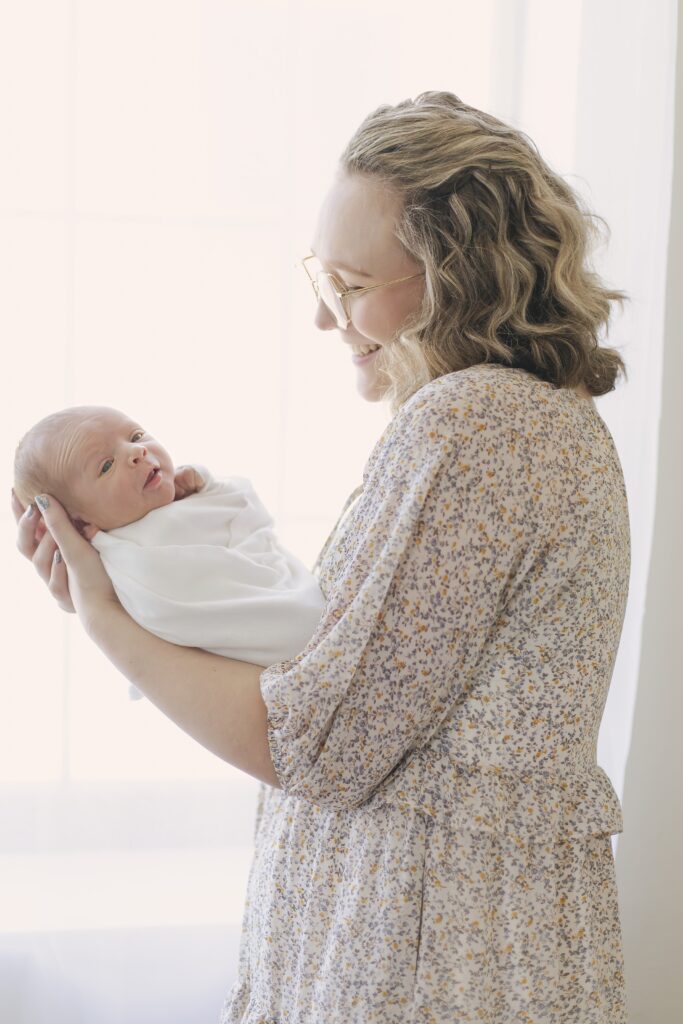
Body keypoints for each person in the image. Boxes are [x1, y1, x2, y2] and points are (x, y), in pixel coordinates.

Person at [12, 91, 630, 1023]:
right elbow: (335, 676)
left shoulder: (477, 426)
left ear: (451, 277)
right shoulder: (521, 421)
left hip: (431, 952)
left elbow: (316, 742)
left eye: (348, 284)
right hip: (434, 935)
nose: (322, 318)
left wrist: (106, 620)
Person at [13, 406, 325, 689]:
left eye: (136, 435)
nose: (136, 451)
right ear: (77, 525)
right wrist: (87, 596)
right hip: (286, 646)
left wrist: (206, 485)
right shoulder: (121, 563)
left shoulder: (185, 502)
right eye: (106, 466)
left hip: (295, 606)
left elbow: (250, 516)